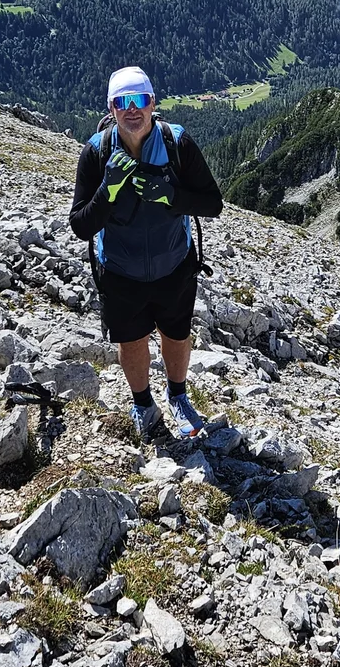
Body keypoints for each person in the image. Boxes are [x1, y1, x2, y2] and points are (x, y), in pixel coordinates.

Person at [70, 65, 224, 440]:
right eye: (122, 102)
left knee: (176, 333)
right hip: (120, 272)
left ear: (153, 102)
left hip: (175, 266)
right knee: (131, 339)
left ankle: (178, 397)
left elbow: (213, 203)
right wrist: (107, 190)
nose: (132, 109)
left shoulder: (176, 143)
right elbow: (81, 225)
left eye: (139, 99)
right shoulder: (97, 153)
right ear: (111, 107)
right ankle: (143, 404)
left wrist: (171, 196)